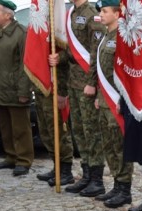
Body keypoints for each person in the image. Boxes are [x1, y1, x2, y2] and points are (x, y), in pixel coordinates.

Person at [48, 0, 106, 195]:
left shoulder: (92, 15)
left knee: (92, 132)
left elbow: (96, 53)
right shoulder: (72, 12)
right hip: (74, 81)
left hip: (86, 83)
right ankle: (87, 174)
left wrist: (92, 82)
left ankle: (97, 179)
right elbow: (73, 52)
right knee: (79, 131)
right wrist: (60, 58)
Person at [0, 0, 33, 177]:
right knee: (5, 126)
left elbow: (25, 65)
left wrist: (23, 91)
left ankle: (24, 160)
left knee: (20, 127)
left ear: (8, 15)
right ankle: (11, 156)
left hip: (14, 88)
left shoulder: (21, 33)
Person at [92, 0, 133, 207]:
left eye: (105, 11)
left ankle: (125, 187)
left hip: (116, 100)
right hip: (104, 99)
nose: (101, 13)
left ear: (117, 14)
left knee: (119, 145)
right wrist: (100, 97)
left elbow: (126, 72)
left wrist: (122, 99)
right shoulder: (106, 36)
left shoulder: (122, 37)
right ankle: (117, 184)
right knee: (108, 143)